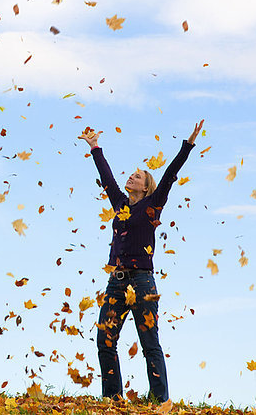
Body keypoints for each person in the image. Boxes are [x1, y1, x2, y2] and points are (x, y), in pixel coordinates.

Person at [79, 119, 204, 403]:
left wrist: (188, 145)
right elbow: (107, 178)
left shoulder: (153, 205)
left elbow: (171, 174)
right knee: (105, 340)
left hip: (142, 281)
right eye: (131, 175)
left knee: (150, 343)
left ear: (147, 188)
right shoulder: (121, 206)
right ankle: (113, 399)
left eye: (138, 176)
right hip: (116, 283)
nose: (131, 178)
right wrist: (95, 147)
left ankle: (160, 400)